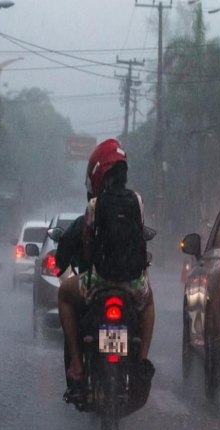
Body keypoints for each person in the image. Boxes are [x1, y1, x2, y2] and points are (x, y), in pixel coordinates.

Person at [57, 139, 155, 389]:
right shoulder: (138, 201)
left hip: (98, 283)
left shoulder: (94, 205)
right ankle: (142, 359)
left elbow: (88, 245)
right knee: (149, 302)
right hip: (132, 284)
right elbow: (140, 239)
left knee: (64, 295)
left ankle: (77, 364)